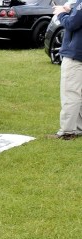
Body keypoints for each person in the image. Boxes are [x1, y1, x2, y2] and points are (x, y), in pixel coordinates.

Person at [53, 1, 82, 139]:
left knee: (70, 93)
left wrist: (61, 13)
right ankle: (78, 127)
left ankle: (68, 131)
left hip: (76, 55)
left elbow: (72, 24)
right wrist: (72, 10)